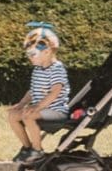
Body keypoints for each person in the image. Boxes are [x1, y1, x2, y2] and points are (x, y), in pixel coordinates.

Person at [5, 23, 70, 154]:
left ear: (47, 52)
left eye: (33, 53)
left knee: (29, 116)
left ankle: (37, 149)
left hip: (56, 111)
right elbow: (32, 91)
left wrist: (38, 107)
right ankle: (27, 148)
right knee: (12, 116)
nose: (29, 57)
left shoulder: (57, 68)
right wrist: (21, 104)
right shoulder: (37, 70)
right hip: (40, 109)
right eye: (28, 54)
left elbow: (55, 92)